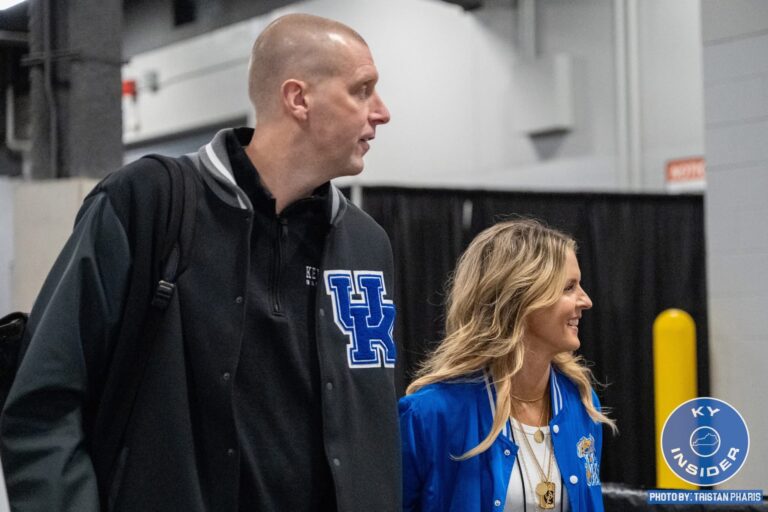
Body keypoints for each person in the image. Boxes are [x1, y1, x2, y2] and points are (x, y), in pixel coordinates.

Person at [1, 13, 400, 512]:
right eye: (362, 90)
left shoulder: (366, 245)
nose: (381, 112)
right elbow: (44, 402)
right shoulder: (146, 202)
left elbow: (374, 427)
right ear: (298, 99)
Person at [399, 219, 616, 512]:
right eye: (569, 287)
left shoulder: (582, 402)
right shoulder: (429, 414)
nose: (586, 300)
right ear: (522, 298)